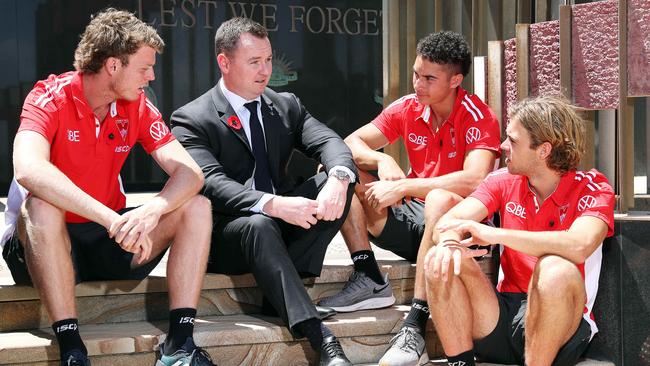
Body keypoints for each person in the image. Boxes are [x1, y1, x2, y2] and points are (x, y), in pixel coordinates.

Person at [0, 9, 215, 366]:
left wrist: (153, 210)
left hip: (105, 239)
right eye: (144, 67)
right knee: (40, 205)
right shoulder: (48, 96)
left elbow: (191, 173)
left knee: (197, 206)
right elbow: (28, 169)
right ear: (113, 66)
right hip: (45, 242)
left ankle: (180, 344)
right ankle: (72, 350)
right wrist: (110, 219)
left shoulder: (137, 104)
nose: (152, 76)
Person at [170, 17, 357, 366]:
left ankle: (279, 294)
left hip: (283, 227)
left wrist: (339, 179)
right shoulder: (192, 118)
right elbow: (210, 182)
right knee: (259, 225)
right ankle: (321, 338)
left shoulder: (285, 105)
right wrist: (272, 204)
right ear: (224, 63)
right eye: (254, 62)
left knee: (335, 185)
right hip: (228, 234)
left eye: (269, 59)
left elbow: (330, 142)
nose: (266, 70)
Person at [316, 31, 501, 365]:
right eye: (417, 73)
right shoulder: (408, 107)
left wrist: (404, 187)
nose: (419, 84)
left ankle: (414, 326)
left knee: (439, 201)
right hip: (415, 220)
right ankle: (368, 276)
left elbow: (475, 179)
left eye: (430, 78)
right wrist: (382, 159)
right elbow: (349, 143)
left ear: (456, 80)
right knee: (342, 172)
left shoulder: (478, 116)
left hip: (460, 233)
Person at [423, 96, 615, 366]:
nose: (502, 147)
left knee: (555, 269)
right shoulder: (502, 179)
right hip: (503, 315)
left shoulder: (592, 187)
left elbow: (579, 245)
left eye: (512, 141)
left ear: (544, 150)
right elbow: (447, 224)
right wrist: (449, 241)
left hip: (560, 325)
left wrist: (493, 234)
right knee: (439, 257)